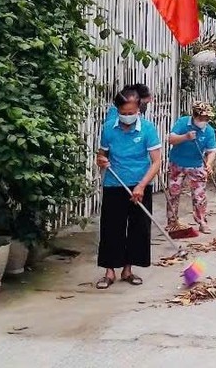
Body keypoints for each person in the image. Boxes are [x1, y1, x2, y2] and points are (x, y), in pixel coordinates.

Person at [95, 88, 162, 289]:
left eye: (131, 113)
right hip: (114, 184)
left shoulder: (148, 129)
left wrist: (141, 186)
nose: (127, 117)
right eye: (123, 113)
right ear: (118, 110)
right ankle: (109, 272)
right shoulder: (108, 128)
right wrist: (101, 161)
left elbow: (157, 162)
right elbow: (102, 155)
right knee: (111, 227)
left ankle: (128, 270)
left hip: (140, 184)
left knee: (138, 228)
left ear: (138, 110)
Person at [165, 102, 216, 238]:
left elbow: (211, 151)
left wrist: (209, 164)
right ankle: (172, 222)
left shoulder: (209, 131)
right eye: (202, 118)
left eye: (207, 119)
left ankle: (202, 221)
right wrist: (186, 137)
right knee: (173, 193)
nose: (204, 121)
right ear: (194, 116)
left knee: (199, 195)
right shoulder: (183, 123)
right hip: (177, 163)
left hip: (197, 164)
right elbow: (171, 139)